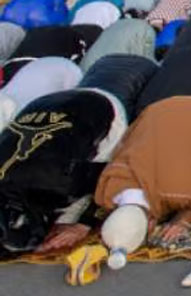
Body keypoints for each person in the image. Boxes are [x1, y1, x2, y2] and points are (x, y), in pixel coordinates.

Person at [93, 97, 191, 269]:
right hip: (156, 108)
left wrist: (184, 221)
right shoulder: (107, 189)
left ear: (151, 225)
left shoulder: (178, 192)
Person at [0, 88, 128, 255]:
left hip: (103, 107)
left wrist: (83, 225)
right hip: (44, 102)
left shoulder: (63, 182)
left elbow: (112, 176)